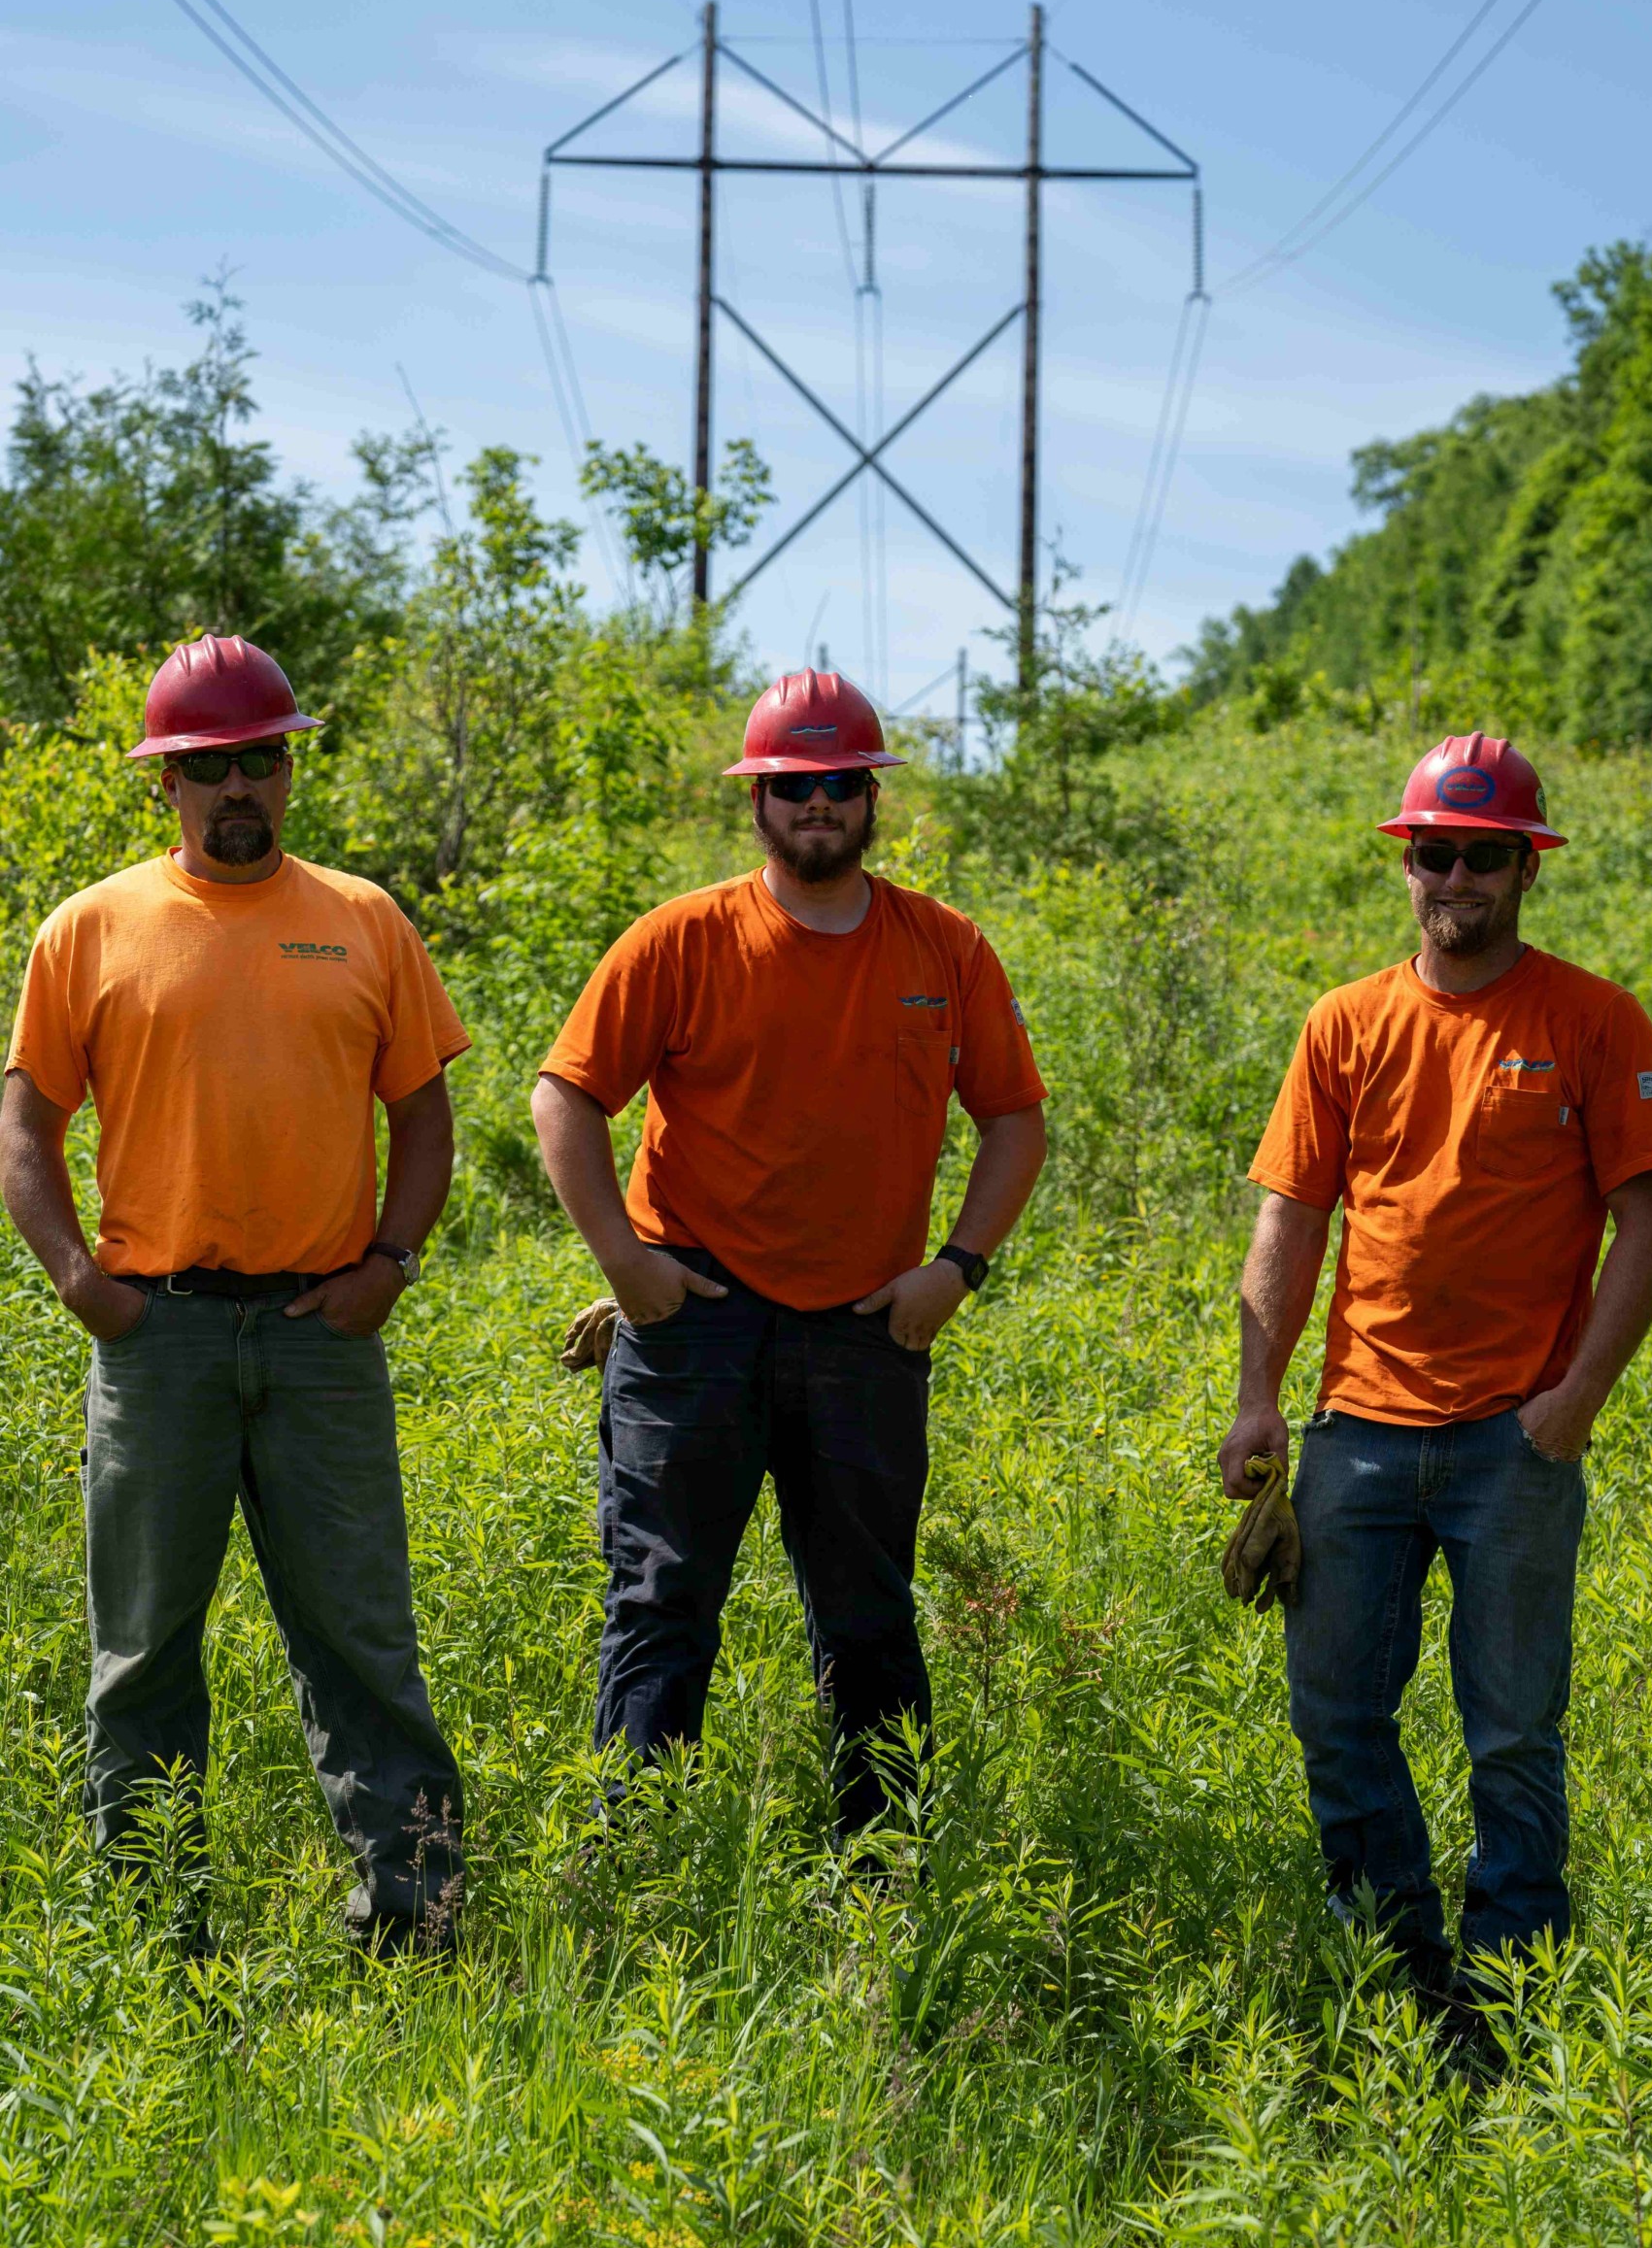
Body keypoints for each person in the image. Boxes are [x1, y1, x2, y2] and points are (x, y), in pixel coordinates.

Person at [0, 634, 469, 1957]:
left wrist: (392, 1263)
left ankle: (413, 1923)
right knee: (143, 1653)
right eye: (205, 766)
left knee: (364, 1641)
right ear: (165, 781)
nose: (235, 787)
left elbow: (425, 1116)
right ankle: (161, 1945)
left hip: (324, 1334)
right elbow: (25, 1128)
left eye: (257, 757)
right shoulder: (88, 928)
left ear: (288, 764)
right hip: (159, 1341)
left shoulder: (363, 920)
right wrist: (81, 1282)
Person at [531, 668, 1048, 1836]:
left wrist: (954, 1269)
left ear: (871, 795)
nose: (818, 801)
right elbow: (564, 1096)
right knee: (661, 1602)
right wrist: (626, 1266)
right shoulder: (683, 937)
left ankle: (882, 1880)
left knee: (867, 1613)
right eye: (793, 782)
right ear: (756, 799)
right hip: (691, 1322)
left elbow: (1014, 1118)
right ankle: (638, 1859)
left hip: (869, 1327)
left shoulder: (945, 947)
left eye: (838, 782)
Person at [1218, 732, 1652, 2010]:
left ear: (1526, 868)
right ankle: (1396, 1966)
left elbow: (1648, 1218)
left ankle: (1507, 1992)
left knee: (1514, 1736)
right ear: (1405, 863)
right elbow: (1289, 1217)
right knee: (1336, 1719)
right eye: (1435, 853)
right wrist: (1260, 1396)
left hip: (1512, 1450)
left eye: (1483, 855)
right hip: (1353, 1437)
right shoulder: (1346, 1023)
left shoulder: (1593, 1021)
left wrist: (1575, 1400)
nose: (1455, 877)